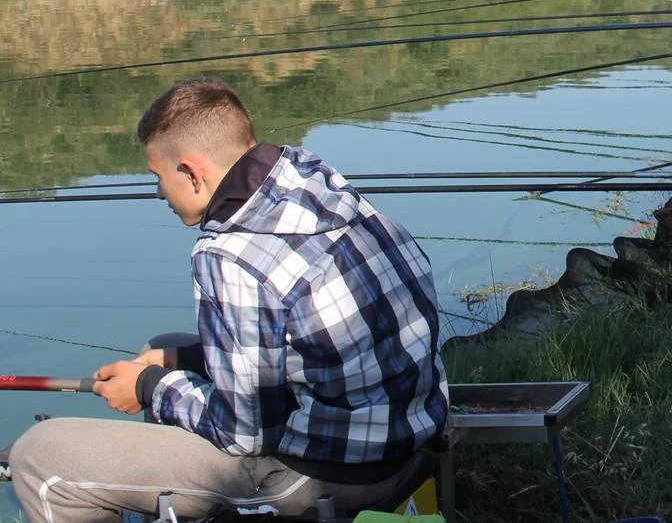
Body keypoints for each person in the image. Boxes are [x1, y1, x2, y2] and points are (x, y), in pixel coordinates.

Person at [9, 78, 448, 523]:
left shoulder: (231, 257)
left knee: (39, 458)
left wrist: (148, 388)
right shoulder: (318, 184)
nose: (158, 192)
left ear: (192, 172)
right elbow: (301, 340)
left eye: (158, 178)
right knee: (169, 347)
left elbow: (245, 434)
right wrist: (179, 358)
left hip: (323, 476)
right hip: (409, 442)